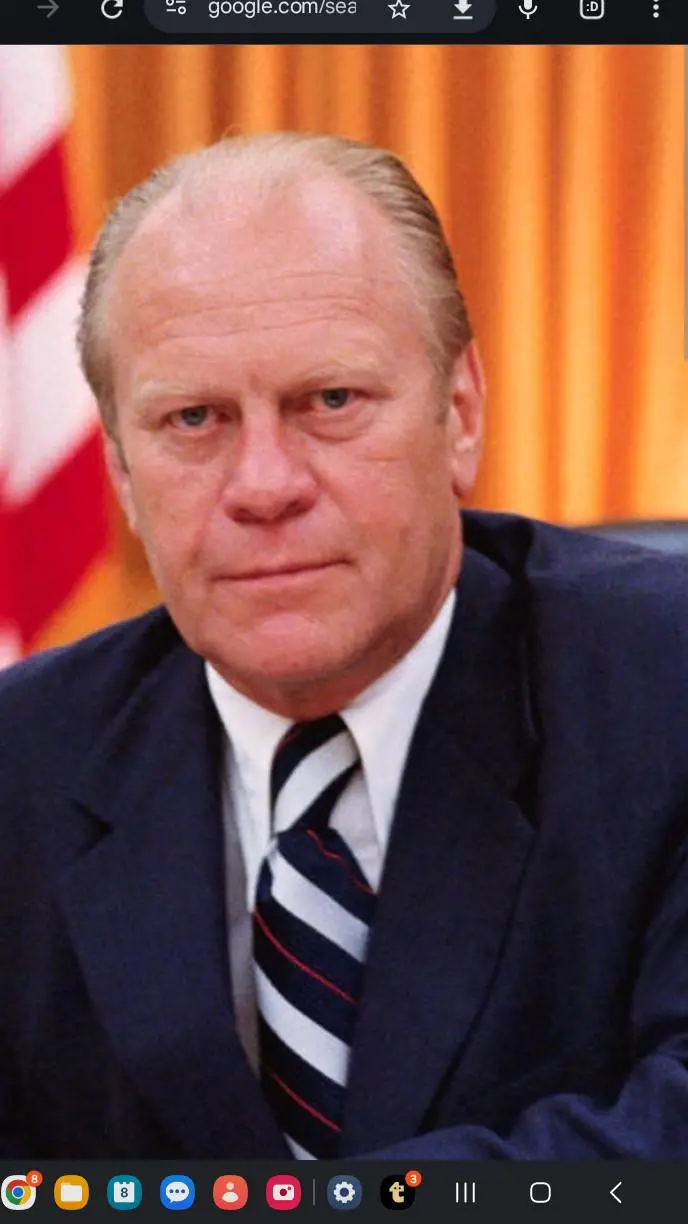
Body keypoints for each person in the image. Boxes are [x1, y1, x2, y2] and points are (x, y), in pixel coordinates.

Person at [1, 131, 688, 1161]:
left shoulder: (664, 687)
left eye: (330, 401)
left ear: (459, 413)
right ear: (123, 477)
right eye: (193, 418)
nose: (263, 486)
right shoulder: (22, 766)